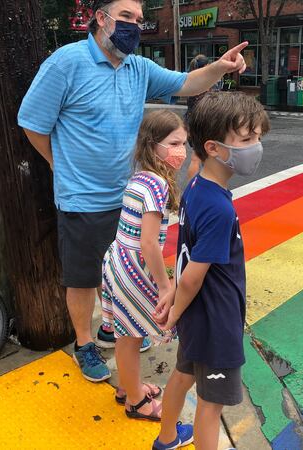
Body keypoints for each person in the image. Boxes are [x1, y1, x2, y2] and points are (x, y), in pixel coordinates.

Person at [18, 0, 249, 384]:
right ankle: (85, 343)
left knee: (120, 268)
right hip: (83, 197)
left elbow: (188, 83)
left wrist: (220, 67)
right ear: (100, 18)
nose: (134, 26)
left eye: (140, 20)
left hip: (126, 194)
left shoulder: (138, 68)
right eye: (126, 17)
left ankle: (113, 326)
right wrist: (58, 165)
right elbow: (32, 123)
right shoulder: (65, 63)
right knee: (82, 276)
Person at [152, 91, 270, 450]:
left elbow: (186, 254)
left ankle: (167, 438)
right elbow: (193, 275)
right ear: (214, 148)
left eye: (258, 137)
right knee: (210, 404)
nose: (257, 146)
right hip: (215, 320)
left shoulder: (196, 188)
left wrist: (175, 300)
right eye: (247, 139)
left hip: (198, 316)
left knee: (183, 374)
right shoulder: (218, 208)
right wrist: (174, 310)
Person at [101, 111, 190, 438]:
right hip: (133, 267)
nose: (181, 150)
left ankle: (129, 386)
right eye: (174, 143)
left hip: (119, 260)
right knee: (131, 335)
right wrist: (165, 285)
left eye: (184, 142)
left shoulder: (142, 176)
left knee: (127, 332)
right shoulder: (157, 185)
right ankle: (136, 402)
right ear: (153, 146)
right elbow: (149, 242)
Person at [184, 54, 214, 181]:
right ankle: (195, 186)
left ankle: (196, 185)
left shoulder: (192, 80)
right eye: (208, 66)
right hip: (202, 123)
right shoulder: (203, 83)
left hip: (192, 123)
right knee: (200, 157)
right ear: (204, 66)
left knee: (200, 157)